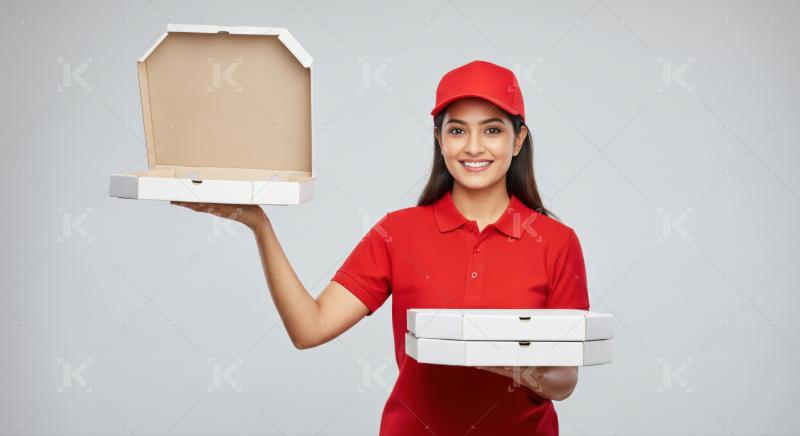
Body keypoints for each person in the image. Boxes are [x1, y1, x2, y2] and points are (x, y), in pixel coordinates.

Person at [172, 60, 590, 435]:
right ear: (440, 140)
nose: (474, 146)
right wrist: (258, 224)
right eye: (457, 130)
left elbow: (564, 381)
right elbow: (309, 328)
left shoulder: (556, 242)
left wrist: (507, 364)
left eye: (493, 129)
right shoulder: (398, 232)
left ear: (518, 140)